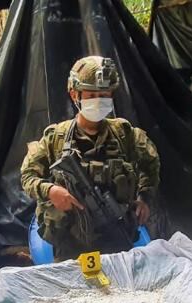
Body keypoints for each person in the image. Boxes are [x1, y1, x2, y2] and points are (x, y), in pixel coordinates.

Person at [21, 56, 160, 261]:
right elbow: (28, 176)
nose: (98, 100)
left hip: (117, 238)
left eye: (104, 94)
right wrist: (50, 190)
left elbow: (151, 163)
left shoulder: (125, 134)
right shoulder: (55, 138)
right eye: (92, 94)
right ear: (74, 94)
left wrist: (144, 198)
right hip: (71, 242)